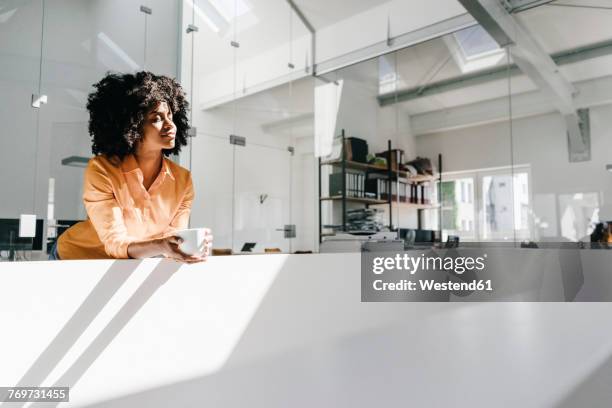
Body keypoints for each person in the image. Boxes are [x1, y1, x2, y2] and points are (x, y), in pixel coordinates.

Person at [50, 71, 211, 262]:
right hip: (76, 257)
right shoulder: (102, 169)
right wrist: (163, 246)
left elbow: (171, 240)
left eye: (170, 116)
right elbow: (116, 243)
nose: (171, 125)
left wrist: (184, 246)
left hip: (129, 264)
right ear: (131, 125)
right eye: (157, 118)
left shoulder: (183, 181)